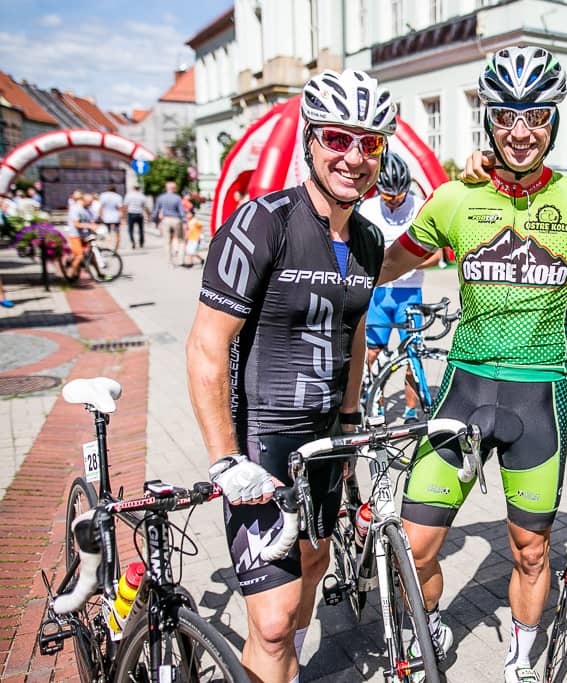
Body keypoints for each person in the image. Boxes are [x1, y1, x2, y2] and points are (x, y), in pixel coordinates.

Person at [379, 46, 567, 683]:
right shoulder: (455, 197)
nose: (520, 131)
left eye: (535, 116)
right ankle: (431, 625)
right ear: (488, 119)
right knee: (415, 546)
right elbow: (385, 264)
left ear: (554, 121)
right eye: (506, 115)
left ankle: (521, 660)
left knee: (531, 551)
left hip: (538, 401)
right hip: (464, 390)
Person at [186, 68, 395, 683]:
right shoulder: (262, 221)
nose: (353, 156)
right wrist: (225, 460)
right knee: (274, 620)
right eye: (337, 138)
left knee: (312, 565)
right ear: (310, 140)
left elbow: (353, 328)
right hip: (264, 443)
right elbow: (205, 345)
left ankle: (286, 669)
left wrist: (352, 419)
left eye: (369, 143)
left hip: (327, 441)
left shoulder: (369, 239)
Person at [358, 152, 438, 422]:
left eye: (400, 195)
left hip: (409, 293)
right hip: (379, 294)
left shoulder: (419, 206)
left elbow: (437, 256)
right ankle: (376, 406)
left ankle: (411, 411)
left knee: (412, 354)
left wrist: (408, 265)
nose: (394, 200)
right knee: (374, 353)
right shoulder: (368, 209)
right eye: (387, 195)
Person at [154, 181, 187, 265]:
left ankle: (169, 261)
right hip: (176, 219)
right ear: (174, 189)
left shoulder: (161, 197)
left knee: (167, 241)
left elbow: (156, 211)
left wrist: (156, 222)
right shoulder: (177, 198)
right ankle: (181, 260)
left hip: (166, 220)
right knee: (181, 240)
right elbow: (181, 211)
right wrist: (184, 222)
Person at [97, 185, 124, 251]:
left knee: (106, 233)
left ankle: (107, 247)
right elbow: (120, 208)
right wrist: (122, 218)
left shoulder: (103, 195)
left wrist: (100, 216)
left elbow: (101, 207)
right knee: (117, 233)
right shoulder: (118, 196)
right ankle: (116, 248)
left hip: (106, 217)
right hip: (116, 217)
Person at [124, 184, 148, 248]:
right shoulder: (142, 196)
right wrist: (148, 214)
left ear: (133, 188)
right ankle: (141, 242)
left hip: (131, 213)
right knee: (141, 229)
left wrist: (124, 215)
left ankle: (132, 242)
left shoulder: (129, 195)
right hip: (139, 214)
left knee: (130, 229)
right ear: (139, 188)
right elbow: (145, 206)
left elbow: (125, 206)